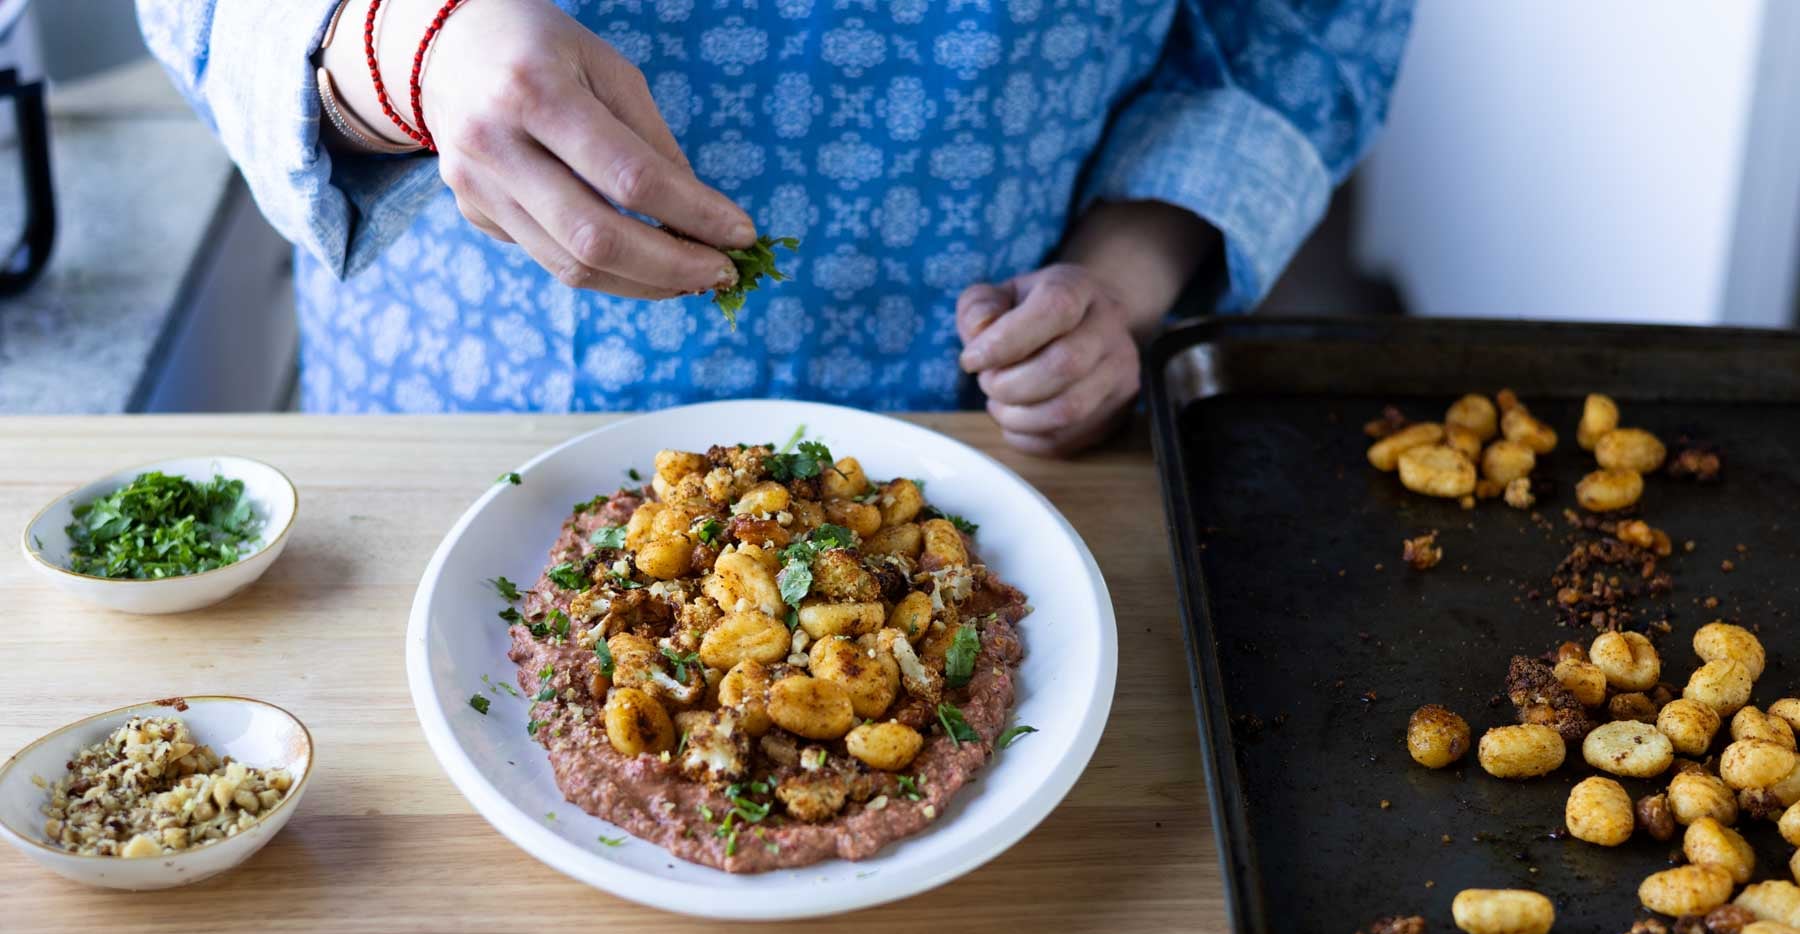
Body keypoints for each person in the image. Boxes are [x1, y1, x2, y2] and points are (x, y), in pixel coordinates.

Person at [137, 0, 1410, 454]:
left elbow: (1298, 23)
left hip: (999, 417)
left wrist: (1125, 277)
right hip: (471, 408)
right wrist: (399, 45)